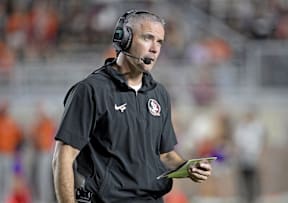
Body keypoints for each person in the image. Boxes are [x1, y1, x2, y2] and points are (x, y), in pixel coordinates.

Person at [52, 10, 212, 203]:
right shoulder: (91, 91)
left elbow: (166, 155)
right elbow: (63, 157)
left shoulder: (159, 93)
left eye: (160, 42)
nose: (155, 48)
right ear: (124, 39)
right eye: (148, 38)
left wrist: (188, 167)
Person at [233, 108, 267, 203]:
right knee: (244, 177)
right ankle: (245, 197)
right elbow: (238, 141)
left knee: (254, 177)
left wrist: (261, 153)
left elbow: (262, 140)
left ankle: (255, 197)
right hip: (243, 156)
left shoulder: (257, 127)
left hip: (254, 155)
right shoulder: (241, 127)